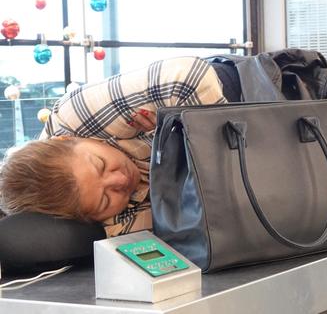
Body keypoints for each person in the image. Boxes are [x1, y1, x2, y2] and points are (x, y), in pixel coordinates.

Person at [0, 56, 226, 237]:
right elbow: (186, 232)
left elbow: (187, 78)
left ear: (66, 139)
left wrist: (179, 130)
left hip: (244, 87)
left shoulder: (75, 117)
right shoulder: (108, 223)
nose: (120, 180)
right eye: (105, 200)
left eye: (100, 164)